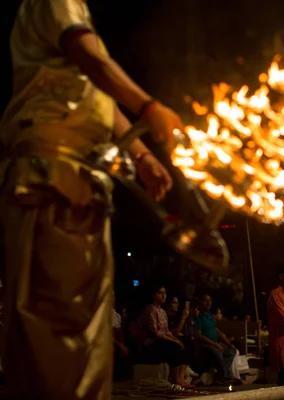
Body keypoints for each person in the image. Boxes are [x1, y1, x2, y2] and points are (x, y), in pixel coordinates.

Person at [0, 1, 184, 398]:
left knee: (87, 332)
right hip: (50, 177)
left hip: (85, 185)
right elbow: (91, 59)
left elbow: (97, 90)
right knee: (55, 329)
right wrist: (149, 107)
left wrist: (143, 156)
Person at [139, 285, 191, 388]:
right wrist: (175, 341)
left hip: (162, 339)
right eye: (160, 293)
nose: (163, 296)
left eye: (165, 293)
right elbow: (156, 333)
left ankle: (181, 378)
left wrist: (177, 339)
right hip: (152, 342)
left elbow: (167, 331)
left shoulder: (163, 312)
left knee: (186, 341)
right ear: (153, 295)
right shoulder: (150, 310)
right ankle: (175, 378)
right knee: (172, 345)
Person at [196, 294, 239, 385]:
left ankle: (222, 375)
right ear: (200, 302)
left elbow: (217, 331)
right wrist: (215, 344)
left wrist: (229, 344)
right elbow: (199, 336)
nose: (208, 303)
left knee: (231, 351)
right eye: (205, 300)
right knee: (217, 352)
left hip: (216, 343)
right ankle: (224, 377)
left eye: (210, 301)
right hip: (205, 344)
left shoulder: (210, 316)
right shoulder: (199, 316)